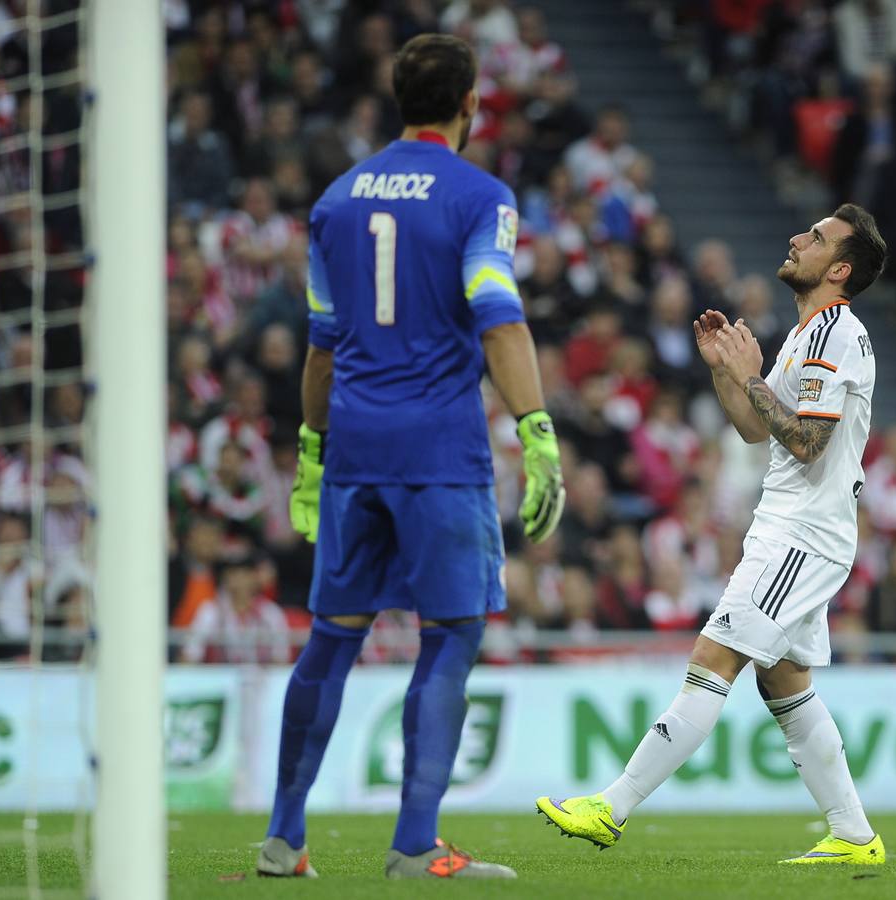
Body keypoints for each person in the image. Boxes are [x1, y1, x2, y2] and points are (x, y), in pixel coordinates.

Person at [257, 34, 564, 881]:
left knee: (331, 638)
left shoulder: (336, 200)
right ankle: (415, 844)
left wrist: (312, 455)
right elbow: (497, 314)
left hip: (353, 447)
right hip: (438, 452)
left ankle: (284, 839)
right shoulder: (480, 196)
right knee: (452, 634)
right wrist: (536, 434)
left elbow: (322, 348)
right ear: (470, 104)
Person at [537, 204, 890, 866]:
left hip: (802, 531)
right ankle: (852, 836)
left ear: (838, 269)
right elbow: (758, 431)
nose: (795, 239)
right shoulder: (807, 334)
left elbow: (807, 443)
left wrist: (752, 379)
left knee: (714, 655)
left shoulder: (834, 336)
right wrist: (725, 374)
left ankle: (610, 807)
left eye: (813, 238)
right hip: (797, 525)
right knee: (782, 679)